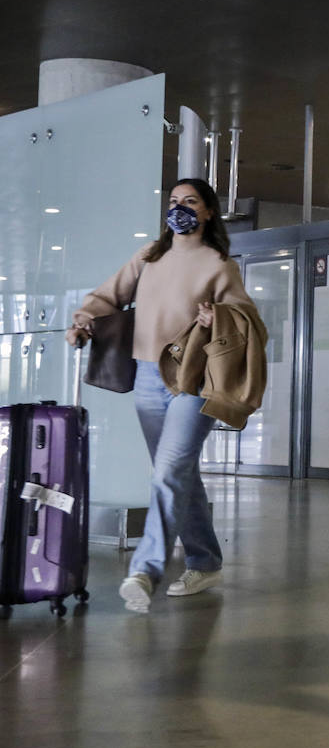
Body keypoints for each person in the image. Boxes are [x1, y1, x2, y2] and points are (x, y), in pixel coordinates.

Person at [67, 178, 266, 614]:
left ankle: (146, 569)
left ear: (209, 212)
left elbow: (247, 320)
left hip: (193, 381)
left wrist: (218, 317)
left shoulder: (219, 264)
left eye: (190, 202)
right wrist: (83, 320)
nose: (180, 208)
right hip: (146, 376)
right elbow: (107, 297)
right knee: (176, 473)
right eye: (174, 202)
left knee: (168, 471)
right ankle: (205, 561)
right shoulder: (149, 258)